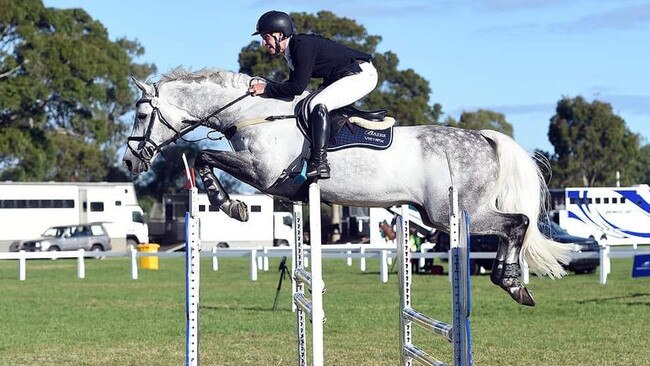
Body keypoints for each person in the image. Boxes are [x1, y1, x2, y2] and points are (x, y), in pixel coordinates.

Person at [249, 10, 379, 179]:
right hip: (344, 76)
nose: (263, 43)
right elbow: (292, 90)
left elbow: (296, 87)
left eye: (265, 37)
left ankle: (320, 163)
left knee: (317, 105)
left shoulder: (301, 46)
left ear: (279, 35)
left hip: (362, 75)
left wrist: (266, 89)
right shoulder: (293, 51)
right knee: (308, 103)